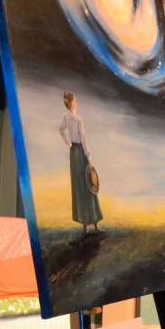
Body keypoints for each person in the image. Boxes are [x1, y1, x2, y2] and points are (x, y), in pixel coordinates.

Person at [58, 91, 102, 233]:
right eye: (75, 100)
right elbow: (83, 139)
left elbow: (61, 129)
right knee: (88, 185)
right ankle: (94, 223)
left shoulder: (66, 117)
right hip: (81, 153)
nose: (76, 101)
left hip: (73, 154)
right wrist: (89, 157)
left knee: (79, 185)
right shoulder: (78, 120)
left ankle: (85, 226)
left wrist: (68, 144)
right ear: (71, 103)